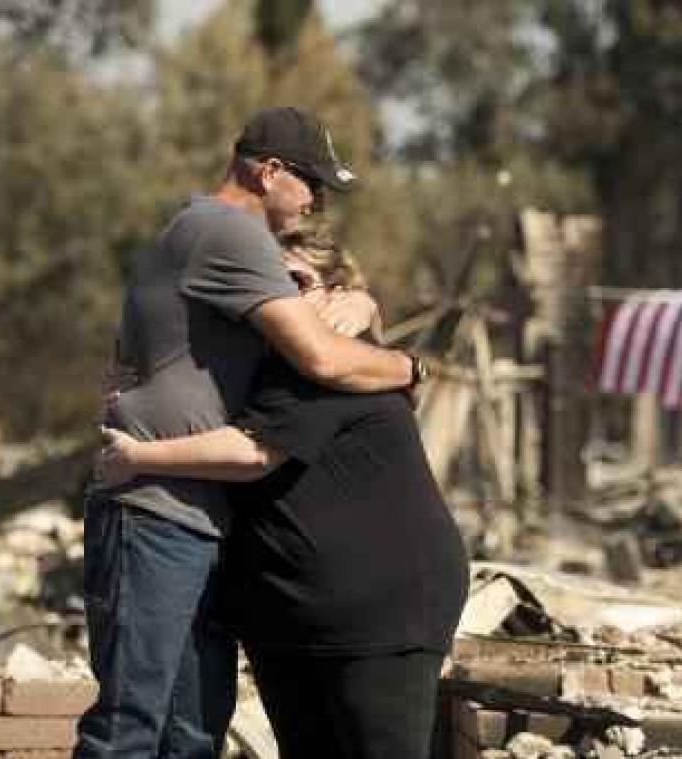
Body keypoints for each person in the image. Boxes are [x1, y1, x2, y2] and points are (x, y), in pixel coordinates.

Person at [73, 107, 426, 759]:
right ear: (268, 172)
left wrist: (361, 301)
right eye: (311, 185)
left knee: (191, 732)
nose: (316, 202)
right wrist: (409, 365)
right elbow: (320, 357)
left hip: (193, 517)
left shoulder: (205, 232)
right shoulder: (228, 233)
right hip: (153, 509)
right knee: (128, 727)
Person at [96, 229, 469, 759]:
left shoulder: (332, 362)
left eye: (294, 280)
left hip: (380, 613)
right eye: (261, 284)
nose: (273, 298)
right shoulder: (250, 363)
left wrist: (137, 458)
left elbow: (253, 453)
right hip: (290, 616)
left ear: (334, 292)